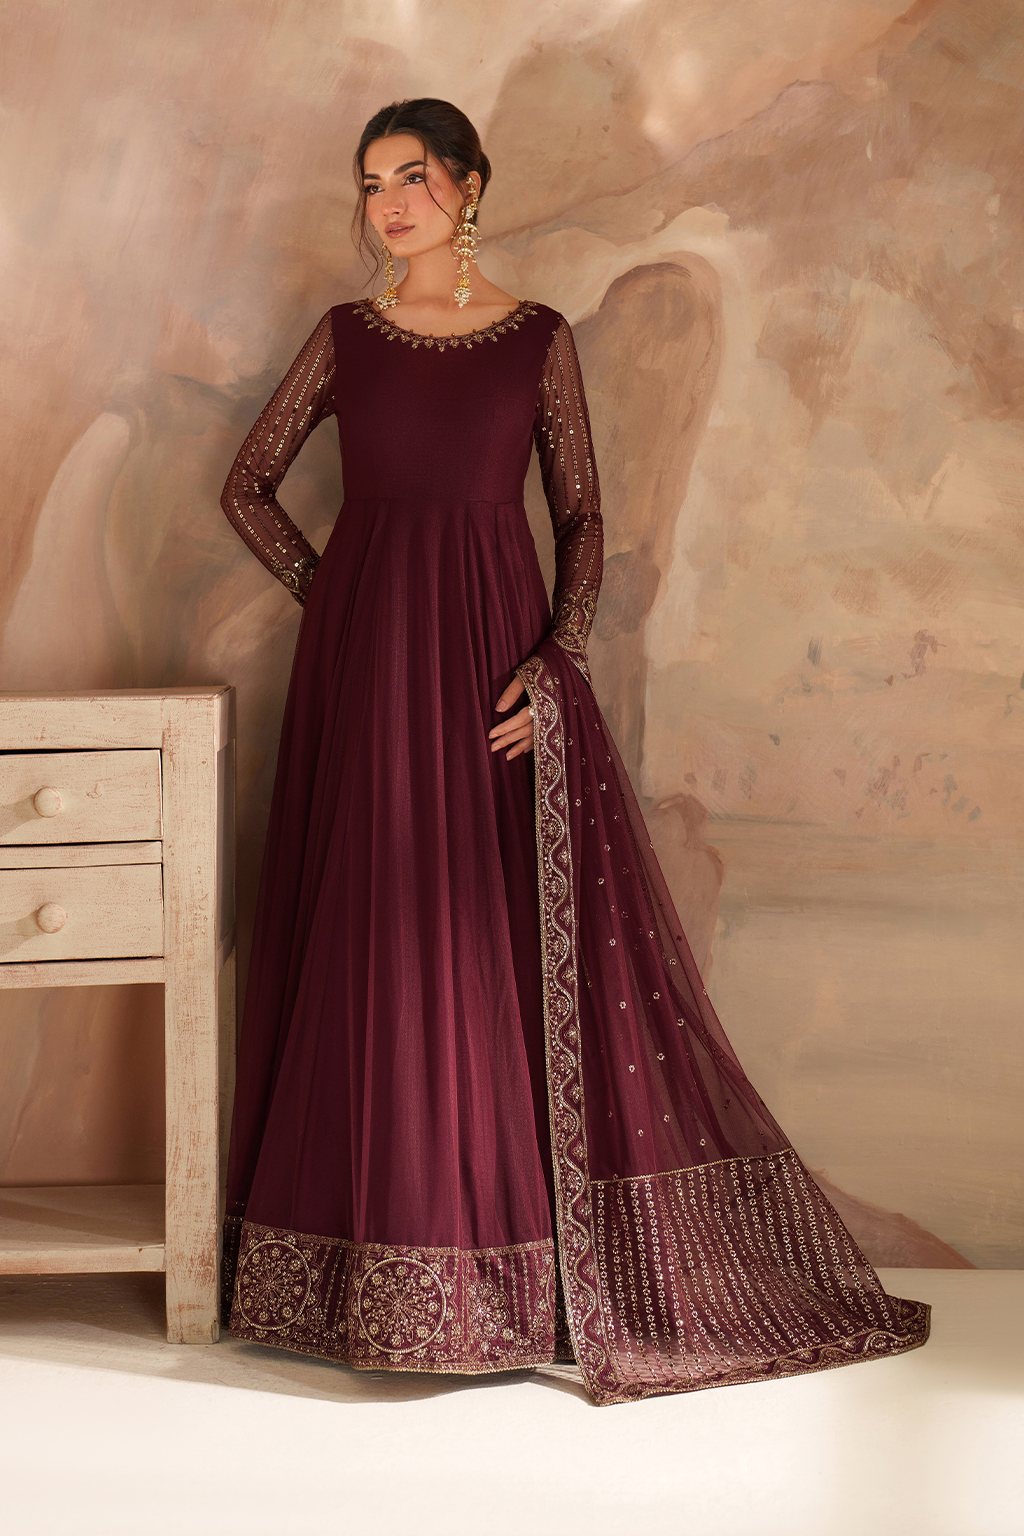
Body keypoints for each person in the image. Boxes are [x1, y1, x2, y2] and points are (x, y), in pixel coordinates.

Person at [218, 97, 928, 1406]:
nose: (389, 204)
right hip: (366, 679)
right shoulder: (345, 339)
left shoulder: (536, 339)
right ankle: (360, 1274)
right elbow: (246, 486)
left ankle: (502, 1276)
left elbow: (584, 515)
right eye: (371, 184)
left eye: (413, 178)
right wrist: (341, 600)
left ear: (469, 185)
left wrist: (559, 658)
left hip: (497, 667)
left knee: (476, 934)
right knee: (370, 933)